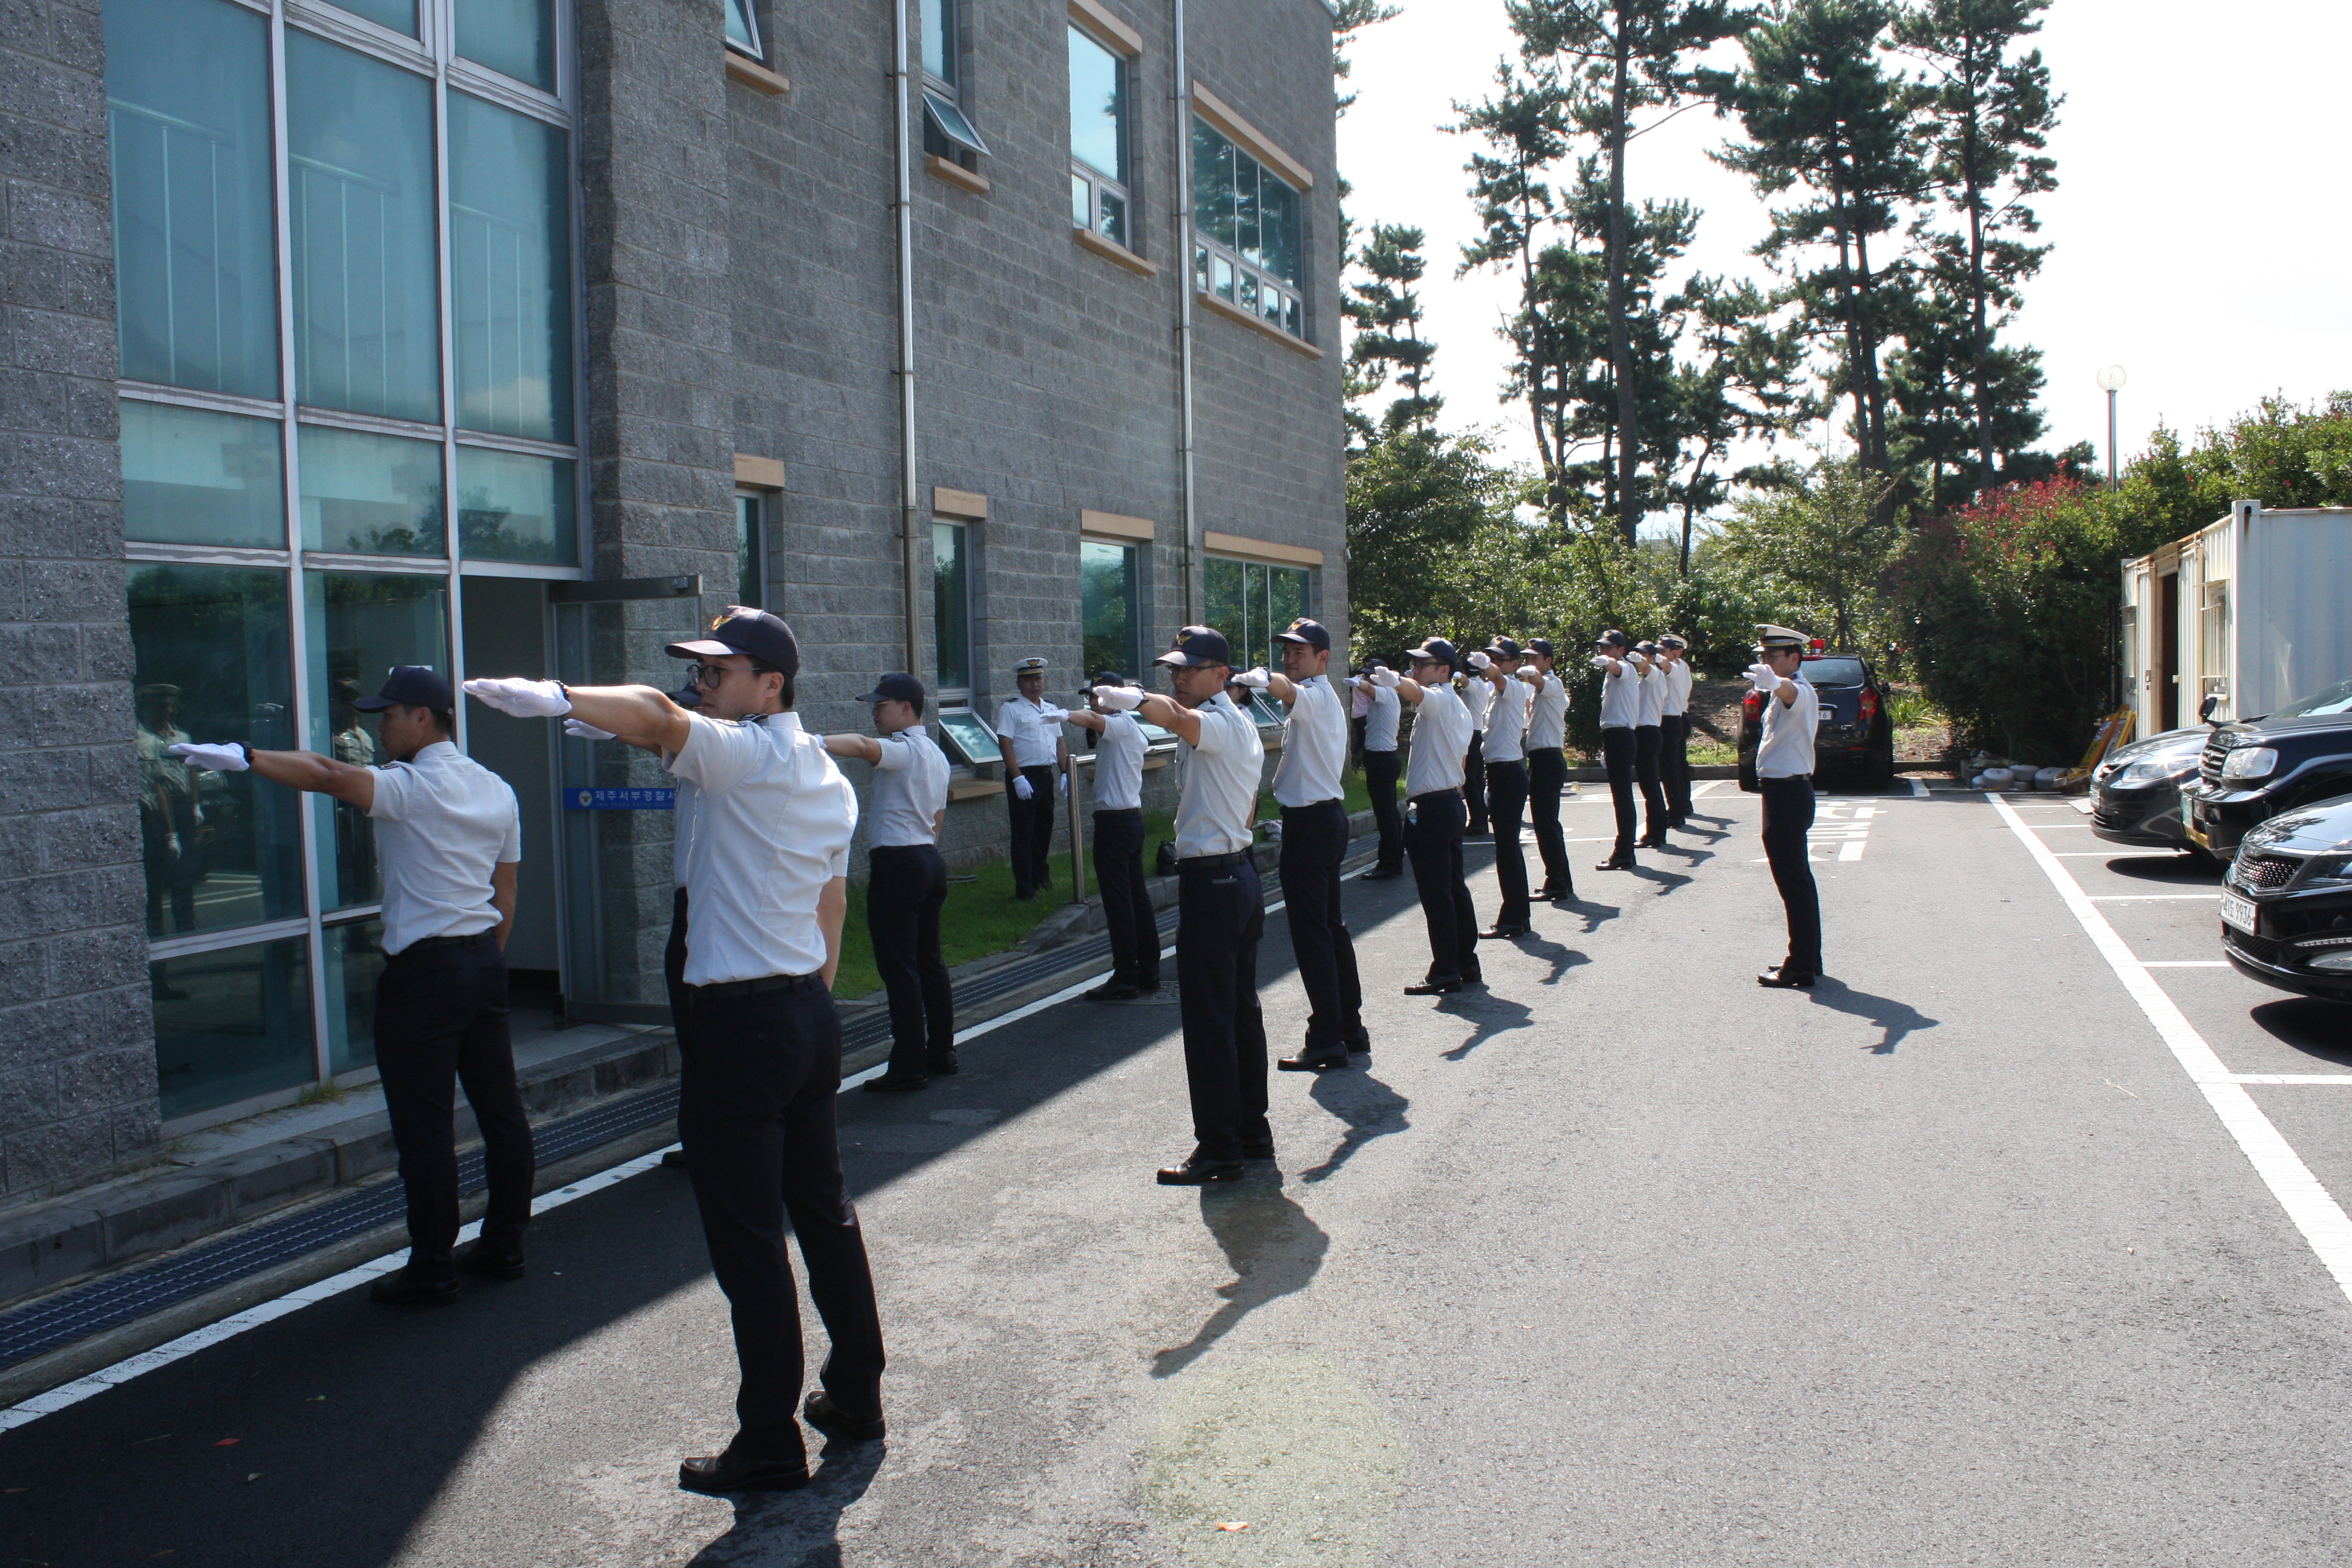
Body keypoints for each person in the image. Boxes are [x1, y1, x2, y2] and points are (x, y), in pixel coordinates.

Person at [466, 608, 886, 1494]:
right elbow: (830, 905)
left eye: (721, 671)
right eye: (699, 671)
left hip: (742, 1025)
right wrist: (810, 995)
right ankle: (856, 1392)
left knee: (747, 1241)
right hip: (804, 1010)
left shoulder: (745, 754)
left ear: (772, 684)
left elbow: (659, 717)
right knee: (824, 1213)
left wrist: (556, 697)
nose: (704, 684)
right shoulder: (817, 771)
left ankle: (770, 1441)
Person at [168, 667, 534, 1306]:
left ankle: (433, 1267)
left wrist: (247, 757)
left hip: (425, 973)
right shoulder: (496, 789)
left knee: (425, 1129)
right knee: (501, 1113)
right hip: (482, 961)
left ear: (423, 717)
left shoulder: (410, 786)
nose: (379, 727)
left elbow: (330, 776)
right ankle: (504, 1244)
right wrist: (484, 963)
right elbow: (505, 892)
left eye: (388, 715)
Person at [1093, 626, 1267, 1184]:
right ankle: (1250, 1130)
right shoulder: (1231, 724)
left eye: (1190, 668)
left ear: (1222, 675)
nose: (1179, 676)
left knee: (1211, 1018)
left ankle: (1219, 1147)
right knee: (1239, 1011)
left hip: (1216, 884)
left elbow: (1174, 718)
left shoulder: (1218, 722)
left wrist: (1137, 700)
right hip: (1234, 875)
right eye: (1174, 668)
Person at [1237, 619, 1368, 1072]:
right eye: (1286, 652)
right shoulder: (1315, 697)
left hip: (1312, 825)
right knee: (1330, 928)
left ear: (1323, 657)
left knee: (1314, 934)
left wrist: (1262, 679)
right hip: (1319, 819)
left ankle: (1327, 1036)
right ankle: (1348, 1025)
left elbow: (1290, 694)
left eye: (1300, 651)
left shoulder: (1316, 695)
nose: (1290, 658)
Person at [825, 673, 955, 1093]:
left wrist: (806, 743)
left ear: (905, 707)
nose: (874, 712)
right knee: (929, 961)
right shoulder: (936, 754)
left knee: (900, 967)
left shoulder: (905, 750)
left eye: (881, 705)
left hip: (899, 864)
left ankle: (909, 1061)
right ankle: (942, 1050)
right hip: (928, 858)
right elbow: (937, 820)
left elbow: (864, 748)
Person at [1375, 637, 1480, 995]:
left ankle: (1446, 970)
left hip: (1435, 809)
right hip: (1447, 803)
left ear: (1444, 671)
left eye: (1424, 664)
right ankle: (1465, 962)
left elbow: (1421, 695)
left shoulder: (1441, 699)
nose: (1416, 669)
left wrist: (1395, 681)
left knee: (1438, 894)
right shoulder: (1455, 705)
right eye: (1415, 664)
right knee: (1453, 889)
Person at [1065, 671, 1161, 1001]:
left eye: (1097, 696)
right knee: (1137, 899)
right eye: (1090, 696)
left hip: (1115, 822)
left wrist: (1064, 715)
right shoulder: (1128, 727)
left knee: (1119, 902)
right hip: (1129, 820)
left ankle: (1126, 975)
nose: (1092, 702)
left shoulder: (1119, 724)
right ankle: (1148, 970)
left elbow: (1092, 720)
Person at [1749, 624, 1824, 988]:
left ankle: (1800, 966)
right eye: (1763, 656)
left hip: (1787, 795)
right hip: (1784, 793)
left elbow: (1790, 691)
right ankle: (1811, 957)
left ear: (1794, 658)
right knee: (1799, 881)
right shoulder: (1782, 693)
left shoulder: (1799, 691)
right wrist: (1772, 683)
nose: (1765, 662)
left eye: (1772, 656)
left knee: (1793, 882)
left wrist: (1775, 682)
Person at [995, 658, 1070, 900]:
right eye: (1028, 680)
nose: (1034, 684)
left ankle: (1041, 875)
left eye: (1038, 679)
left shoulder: (1050, 708)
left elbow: (1059, 741)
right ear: (1019, 683)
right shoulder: (1011, 709)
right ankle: (1025, 887)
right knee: (1024, 833)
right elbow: (1005, 744)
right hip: (1024, 776)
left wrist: (1065, 771)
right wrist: (1017, 778)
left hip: (1046, 775)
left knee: (1044, 829)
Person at [1473, 636, 1532, 940]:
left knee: (1508, 849)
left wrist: (1491, 669)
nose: (1493, 664)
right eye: (1489, 657)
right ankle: (1518, 914)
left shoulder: (1513, 686)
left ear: (1514, 664)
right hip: (1500, 772)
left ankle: (1514, 917)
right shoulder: (1496, 693)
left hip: (1508, 773)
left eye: (1499, 659)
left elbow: (1496, 677)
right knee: (1506, 849)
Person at [135, 683, 204, 938]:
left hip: (181, 804)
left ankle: (187, 923)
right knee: (155, 873)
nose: (166, 710)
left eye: (169, 705)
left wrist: (196, 805)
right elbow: (156, 783)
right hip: (158, 808)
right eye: (159, 705)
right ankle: (155, 928)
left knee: (185, 870)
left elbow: (191, 773)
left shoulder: (181, 738)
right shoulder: (141, 738)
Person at [1518, 638, 1573, 903]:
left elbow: (1540, 682)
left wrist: (1530, 674)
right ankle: (1561, 879)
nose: (1529, 664)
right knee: (1547, 823)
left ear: (1548, 662)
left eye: (1534, 659)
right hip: (1542, 759)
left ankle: (1557, 883)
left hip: (1548, 759)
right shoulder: (1541, 689)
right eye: (1526, 659)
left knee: (1546, 824)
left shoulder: (1552, 683)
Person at [1591, 630, 1648, 870]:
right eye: (1602, 648)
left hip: (1621, 736)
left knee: (1623, 797)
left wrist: (1611, 662)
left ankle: (1624, 852)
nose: (1604, 652)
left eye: (1609, 648)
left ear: (1621, 650)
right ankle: (1625, 851)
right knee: (1621, 796)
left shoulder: (1625, 668)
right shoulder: (1615, 673)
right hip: (1615, 736)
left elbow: (1617, 668)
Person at [1356, 661, 1405, 880]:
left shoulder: (1385, 692)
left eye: (1370, 676)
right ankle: (1394, 860)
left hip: (1382, 760)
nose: (1367, 679)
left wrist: (1359, 683)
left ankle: (1389, 863)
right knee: (1389, 815)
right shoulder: (1387, 694)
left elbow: (1367, 689)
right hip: (1381, 758)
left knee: (1386, 816)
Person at [1632, 639, 1670, 850]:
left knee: (1651, 786)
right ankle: (1655, 831)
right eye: (1636, 653)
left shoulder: (1654, 674)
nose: (1639, 657)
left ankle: (1656, 833)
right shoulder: (1644, 679)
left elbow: (1646, 667)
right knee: (1649, 786)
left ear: (1653, 658)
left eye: (1643, 654)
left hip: (1648, 732)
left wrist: (1641, 662)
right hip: (1643, 732)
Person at [1658, 633, 1695, 829]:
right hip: (1673, 719)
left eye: (1663, 651)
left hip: (1673, 719)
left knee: (1672, 768)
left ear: (1675, 653)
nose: (1659, 655)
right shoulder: (1678, 666)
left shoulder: (1677, 666)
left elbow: (1668, 667)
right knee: (1675, 767)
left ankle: (1677, 811)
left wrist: (1657, 659)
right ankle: (1680, 806)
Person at [1459, 659, 1492, 837]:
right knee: (1476, 780)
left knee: (1471, 780)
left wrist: (1456, 676)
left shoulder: (1476, 686)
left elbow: (1467, 683)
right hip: (1477, 734)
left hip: (1473, 734)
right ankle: (1480, 818)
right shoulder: (1483, 685)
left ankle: (1477, 821)